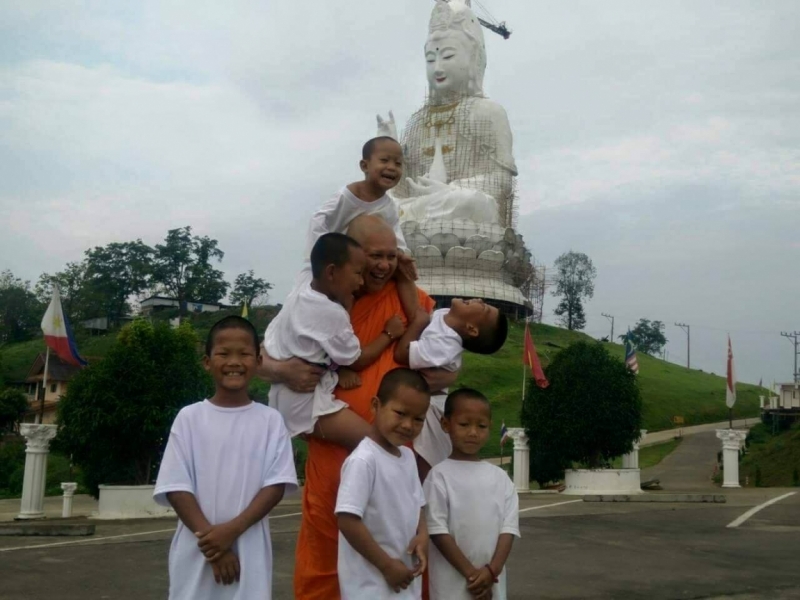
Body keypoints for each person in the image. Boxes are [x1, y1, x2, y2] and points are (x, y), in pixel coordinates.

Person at [259, 215, 457, 600]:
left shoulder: (410, 301)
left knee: (400, 546)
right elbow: (261, 356)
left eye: (390, 256)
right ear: (349, 260)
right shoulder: (321, 302)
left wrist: (447, 373)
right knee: (327, 558)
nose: (381, 266)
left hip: (397, 463)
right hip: (331, 458)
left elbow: (443, 355)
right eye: (372, 257)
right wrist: (281, 369)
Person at [153, 316, 298, 600]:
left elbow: (276, 485)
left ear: (258, 361)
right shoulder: (189, 418)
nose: (234, 362)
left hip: (249, 550)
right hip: (198, 550)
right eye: (223, 354)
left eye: (244, 354)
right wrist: (212, 542)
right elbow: (175, 486)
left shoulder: (270, 421)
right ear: (207, 361)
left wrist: (231, 531)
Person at [265, 232, 406, 449]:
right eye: (358, 273)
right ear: (331, 272)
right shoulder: (330, 313)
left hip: (287, 397)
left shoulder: (303, 282)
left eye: (392, 257)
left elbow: (320, 226)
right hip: (306, 405)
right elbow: (357, 359)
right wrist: (388, 334)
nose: (360, 282)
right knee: (375, 444)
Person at [336, 368, 431, 599]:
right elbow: (347, 520)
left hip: (404, 582)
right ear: (376, 406)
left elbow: (417, 503)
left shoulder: (407, 457)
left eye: (418, 419)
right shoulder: (364, 460)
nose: (408, 425)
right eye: (400, 413)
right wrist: (386, 565)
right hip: (370, 586)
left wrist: (423, 536)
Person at [304, 135, 419, 318]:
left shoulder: (389, 205)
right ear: (364, 166)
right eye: (384, 160)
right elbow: (318, 219)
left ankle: (416, 317)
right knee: (328, 303)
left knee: (401, 269)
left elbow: (395, 234)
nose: (391, 167)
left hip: (369, 265)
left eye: (398, 163)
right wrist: (320, 258)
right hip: (339, 264)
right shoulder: (347, 196)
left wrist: (400, 253)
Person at [394, 298, 508, 477]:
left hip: (433, 406)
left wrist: (418, 323)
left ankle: (426, 499)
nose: (478, 299)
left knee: (428, 465)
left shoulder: (445, 346)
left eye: (483, 307)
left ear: (471, 329)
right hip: (417, 395)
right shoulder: (444, 315)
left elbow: (402, 353)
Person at [423, 388, 519, 600]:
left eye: (481, 426)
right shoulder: (438, 477)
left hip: (492, 585)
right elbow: (437, 532)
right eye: (464, 424)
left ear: (490, 427)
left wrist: (492, 571)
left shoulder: (501, 478)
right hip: (451, 587)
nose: (473, 432)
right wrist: (473, 576)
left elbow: (508, 530)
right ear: (446, 424)